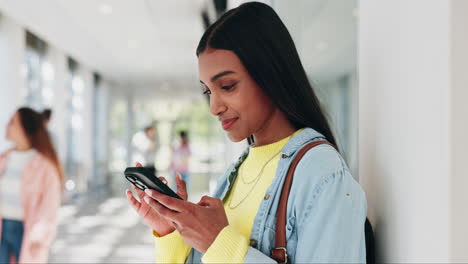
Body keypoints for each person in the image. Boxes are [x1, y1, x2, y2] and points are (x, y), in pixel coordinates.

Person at [126, 2, 367, 263]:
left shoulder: (322, 173)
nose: (214, 107)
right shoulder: (237, 172)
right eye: (208, 91)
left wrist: (221, 244)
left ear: (270, 74)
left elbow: (221, 250)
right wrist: (170, 230)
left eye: (227, 86)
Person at [0, 107, 63, 263]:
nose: (6, 126)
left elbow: (49, 206)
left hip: (26, 230)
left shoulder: (45, 167)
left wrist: (39, 235)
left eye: (12, 122)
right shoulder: (3, 159)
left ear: (25, 129)